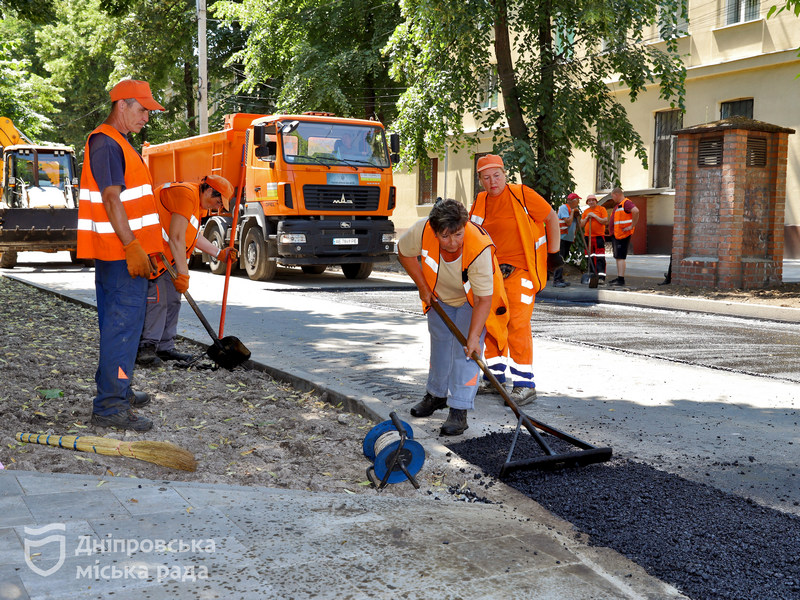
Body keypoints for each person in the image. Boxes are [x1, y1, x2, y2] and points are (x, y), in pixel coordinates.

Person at [76, 79, 165, 432]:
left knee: (120, 328)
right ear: (122, 105)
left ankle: (118, 389)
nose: (147, 117)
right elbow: (112, 200)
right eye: (142, 110)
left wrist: (145, 249)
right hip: (120, 256)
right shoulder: (107, 143)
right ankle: (111, 405)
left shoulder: (120, 144)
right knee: (122, 330)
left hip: (127, 255)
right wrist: (131, 246)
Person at [398, 199, 509, 436]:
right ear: (434, 230)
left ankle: (459, 409)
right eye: (445, 237)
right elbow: (404, 253)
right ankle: (436, 395)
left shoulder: (479, 247)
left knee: (466, 353)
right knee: (439, 346)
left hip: (472, 300)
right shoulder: (422, 229)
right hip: (440, 297)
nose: (452, 243)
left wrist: (474, 337)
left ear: (464, 226)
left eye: (458, 235)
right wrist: (422, 287)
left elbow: (482, 300)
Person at [469, 154, 562, 406]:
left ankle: (524, 384)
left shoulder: (521, 194)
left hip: (521, 271)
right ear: (480, 181)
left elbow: (551, 217)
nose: (492, 181)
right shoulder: (479, 201)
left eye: (496, 175)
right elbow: (471, 234)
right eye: (486, 177)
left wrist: (554, 254)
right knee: (492, 323)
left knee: (518, 324)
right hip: (492, 274)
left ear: (504, 174)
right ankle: (494, 378)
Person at [136, 175, 237, 366]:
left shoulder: (196, 205)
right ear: (208, 190)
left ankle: (165, 347)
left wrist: (219, 253)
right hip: (151, 253)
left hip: (168, 257)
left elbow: (192, 235)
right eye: (217, 200)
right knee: (158, 302)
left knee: (173, 300)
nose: (217, 207)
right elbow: (175, 237)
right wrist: (184, 273)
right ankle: (145, 349)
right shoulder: (186, 195)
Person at [608, 187, 639, 286]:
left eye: (613, 196)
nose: (612, 199)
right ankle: (619, 278)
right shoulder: (619, 205)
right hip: (617, 234)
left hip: (622, 235)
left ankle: (621, 280)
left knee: (620, 257)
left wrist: (632, 225)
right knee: (618, 257)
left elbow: (636, 211)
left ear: (616, 194)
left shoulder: (626, 203)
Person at [553, 193, 581, 287]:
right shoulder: (564, 208)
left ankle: (560, 278)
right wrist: (573, 212)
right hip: (562, 237)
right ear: (572, 201)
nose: (578, 202)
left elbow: (579, 225)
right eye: (577, 200)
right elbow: (568, 222)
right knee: (560, 258)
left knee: (563, 258)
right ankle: (556, 280)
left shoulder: (573, 210)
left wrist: (578, 216)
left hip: (568, 238)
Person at [580, 194, 609, 284]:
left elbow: (605, 221)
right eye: (589, 200)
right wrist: (588, 217)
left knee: (599, 257)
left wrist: (595, 216)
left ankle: (601, 277)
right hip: (588, 237)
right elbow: (581, 224)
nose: (591, 202)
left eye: (593, 200)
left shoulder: (601, 209)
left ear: (596, 201)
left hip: (598, 237)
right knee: (589, 257)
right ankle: (592, 276)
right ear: (587, 202)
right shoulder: (586, 211)